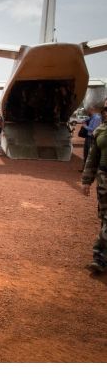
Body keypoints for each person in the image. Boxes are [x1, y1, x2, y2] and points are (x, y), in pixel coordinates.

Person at [82, 105, 107, 273]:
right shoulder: (101, 130)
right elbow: (93, 157)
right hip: (104, 180)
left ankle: (99, 257)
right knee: (104, 217)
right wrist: (86, 180)